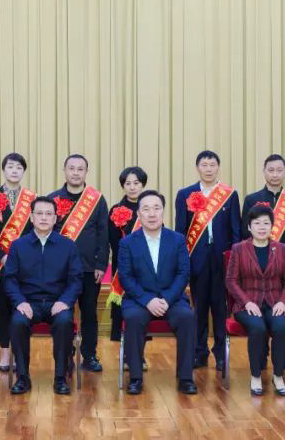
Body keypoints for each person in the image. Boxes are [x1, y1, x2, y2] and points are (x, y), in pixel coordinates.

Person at [119, 190, 198, 396]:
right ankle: (135, 377)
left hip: (172, 298)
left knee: (187, 317)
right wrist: (147, 300)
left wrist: (166, 299)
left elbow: (183, 273)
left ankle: (186, 378)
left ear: (163, 211)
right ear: (138, 214)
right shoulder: (127, 242)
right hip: (138, 300)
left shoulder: (177, 239)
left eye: (157, 208)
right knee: (133, 319)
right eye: (146, 209)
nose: (152, 214)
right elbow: (126, 277)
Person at [2, 196, 83, 395]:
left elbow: (76, 280)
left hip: (58, 303)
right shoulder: (18, 246)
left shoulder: (68, 246)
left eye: (49, 214)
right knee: (17, 322)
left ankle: (60, 377)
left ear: (55, 218)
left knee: (64, 322)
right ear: (31, 217)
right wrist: (20, 302)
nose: (44, 218)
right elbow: (9, 279)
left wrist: (65, 302)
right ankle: (22, 377)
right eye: (39, 213)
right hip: (28, 303)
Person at [174, 150, 239, 372]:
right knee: (199, 307)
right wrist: (182, 260)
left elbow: (236, 230)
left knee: (220, 308)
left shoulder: (229, 195)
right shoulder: (185, 194)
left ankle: (221, 354)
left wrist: (234, 260)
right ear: (197, 168)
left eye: (212, 165)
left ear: (218, 167)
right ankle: (199, 352)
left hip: (222, 259)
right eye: (204, 165)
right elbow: (180, 231)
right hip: (196, 258)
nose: (208, 169)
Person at [48, 154, 109, 373]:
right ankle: (65, 353)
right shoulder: (53, 199)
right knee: (62, 313)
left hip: (89, 268)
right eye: (71, 168)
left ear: (86, 172)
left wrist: (101, 264)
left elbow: (103, 233)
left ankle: (89, 354)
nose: (75, 173)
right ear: (64, 171)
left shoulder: (97, 199)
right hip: (60, 270)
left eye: (80, 169)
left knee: (89, 312)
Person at [226, 205, 285, 396]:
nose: (262, 227)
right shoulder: (239, 249)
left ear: (272, 226)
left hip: (275, 303)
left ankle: (278, 375)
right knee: (257, 328)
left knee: (281, 327)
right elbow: (231, 281)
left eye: (266, 223)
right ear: (249, 227)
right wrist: (247, 302)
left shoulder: (281, 249)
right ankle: (256, 375)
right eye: (257, 223)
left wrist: (282, 302)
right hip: (247, 304)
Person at [0, 152, 35, 373]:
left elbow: (36, 229)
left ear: (23, 172)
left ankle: (20, 351)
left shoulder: (31, 199)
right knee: (2, 308)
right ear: (4, 170)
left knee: (21, 307)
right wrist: (0, 256)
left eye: (19, 167)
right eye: (10, 166)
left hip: (25, 265)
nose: (14, 171)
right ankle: (4, 351)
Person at [108, 167, 146, 346]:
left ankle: (140, 345)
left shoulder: (149, 207)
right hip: (122, 264)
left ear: (143, 184)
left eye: (136, 183)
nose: (132, 187)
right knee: (122, 304)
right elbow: (112, 240)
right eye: (128, 183)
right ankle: (122, 344)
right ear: (123, 186)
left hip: (145, 265)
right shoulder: (116, 210)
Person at [241, 154, 285, 257]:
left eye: (279, 170)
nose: (275, 175)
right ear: (264, 171)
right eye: (271, 170)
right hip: (257, 258)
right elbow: (245, 230)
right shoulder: (251, 199)